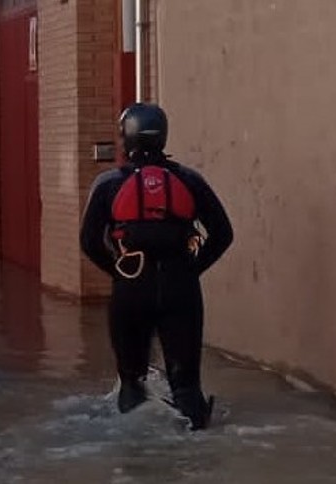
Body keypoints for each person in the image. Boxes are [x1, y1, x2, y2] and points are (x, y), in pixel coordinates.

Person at [80, 103, 233, 431]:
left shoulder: (108, 184)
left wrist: (119, 272)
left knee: (131, 383)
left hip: (130, 289)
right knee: (187, 386)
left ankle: (133, 461)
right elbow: (223, 234)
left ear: (126, 138)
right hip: (181, 287)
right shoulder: (190, 179)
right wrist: (192, 269)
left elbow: (89, 242)